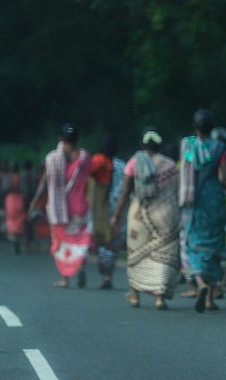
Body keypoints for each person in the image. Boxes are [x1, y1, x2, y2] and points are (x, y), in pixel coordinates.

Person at [179, 109, 226, 312]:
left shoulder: (188, 145)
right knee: (214, 245)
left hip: (193, 202)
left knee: (194, 244)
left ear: (194, 127)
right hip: (214, 200)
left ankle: (200, 283)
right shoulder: (219, 147)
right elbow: (225, 177)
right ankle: (209, 298)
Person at [111, 128, 181, 309]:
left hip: (139, 216)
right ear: (160, 144)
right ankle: (159, 298)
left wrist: (116, 215)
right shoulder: (171, 166)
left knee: (135, 255)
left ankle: (135, 295)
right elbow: (177, 192)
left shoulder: (134, 162)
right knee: (163, 255)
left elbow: (125, 192)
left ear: (142, 144)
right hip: (166, 216)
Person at [29, 123, 92, 288]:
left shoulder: (52, 159)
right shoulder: (85, 157)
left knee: (61, 242)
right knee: (80, 240)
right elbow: (89, 180)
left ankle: (65, 278)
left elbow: (44, 183)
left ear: (60, 138)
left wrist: (34, 203)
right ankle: (80, 265)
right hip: (80, 206)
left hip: (59, 209)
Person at [90, 134, 125, 289]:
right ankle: (107, 276)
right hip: (118, 209)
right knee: (113, 244)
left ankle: (104, 268)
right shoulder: (122, 166)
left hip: (100, 209)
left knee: (101, 242)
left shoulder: (96, 163)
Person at [4, 162, 27, 255]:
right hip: (19, 199)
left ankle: (14, 243)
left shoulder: (7, 178)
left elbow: (4, 189)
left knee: (11, 221)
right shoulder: (22, 178)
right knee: (19, 221)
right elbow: (25, 190)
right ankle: (18, 242)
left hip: (10, 200)